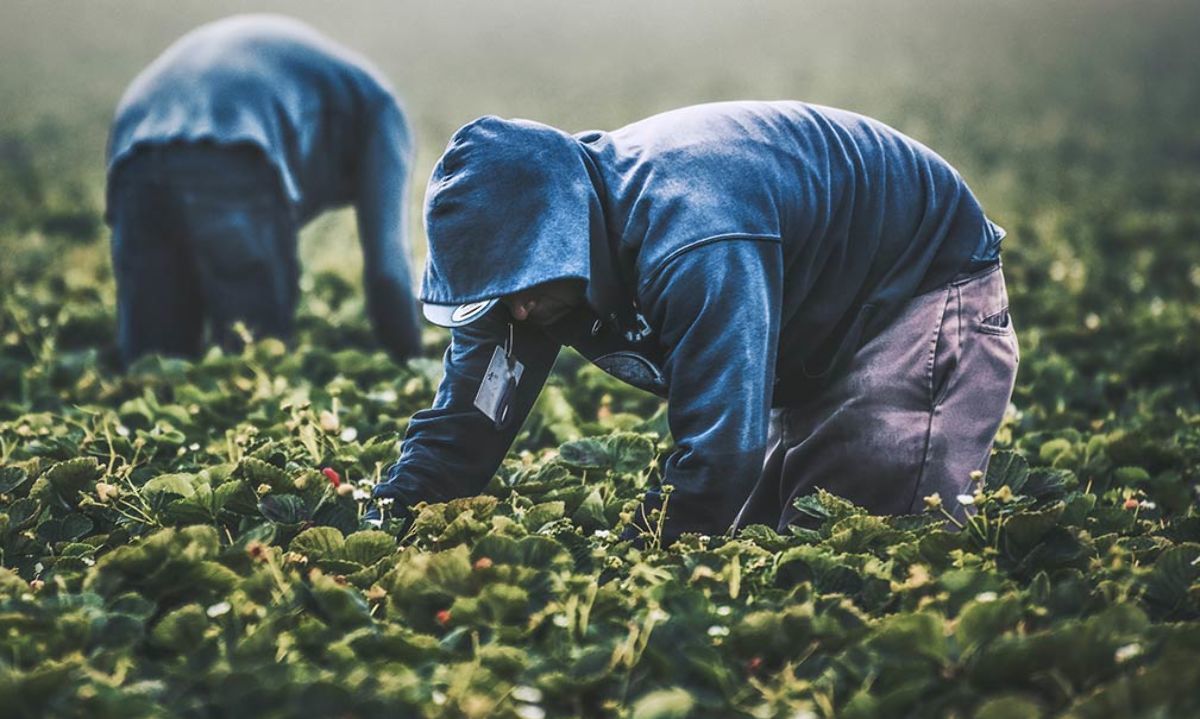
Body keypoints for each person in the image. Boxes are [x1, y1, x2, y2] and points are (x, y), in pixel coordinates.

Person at [369, 101, 1019, 541]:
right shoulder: (528, 285)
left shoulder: (693, 233)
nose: (516, 311)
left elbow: (720, 449)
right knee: (776, 540)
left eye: (524, 283)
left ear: (563, 234)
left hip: (919, 282)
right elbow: (469, 422)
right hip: (806, 313)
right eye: (496, 292)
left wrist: (638, 554)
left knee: (871, 538)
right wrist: (388, 515)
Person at [105, 14, 420, 366]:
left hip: (133, 144)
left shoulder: (334, 89)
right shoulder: (385, 113)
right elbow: (387, 269)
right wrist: (410, 360)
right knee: (254, 358)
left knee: (154, 365)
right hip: (233, 141)